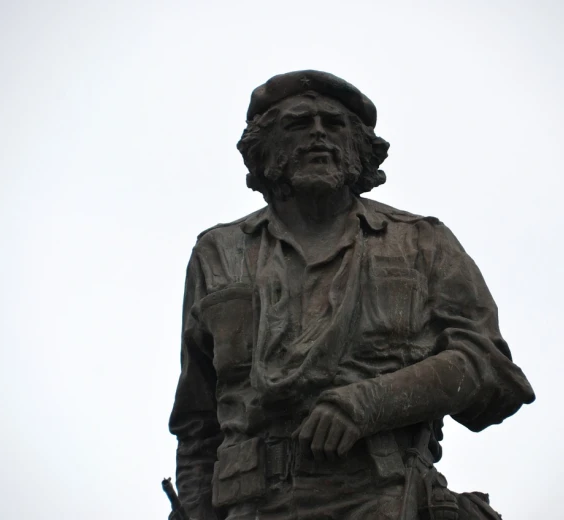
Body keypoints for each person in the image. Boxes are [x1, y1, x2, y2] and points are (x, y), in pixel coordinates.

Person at [169, 70, 535, 520]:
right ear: (264, 148)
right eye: (299, 124)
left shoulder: (422, 243)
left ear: (360, 147)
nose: (319, 134)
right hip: (253, 508)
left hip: (384, 498)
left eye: (335, 124)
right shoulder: (217, 253)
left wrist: (371, 402)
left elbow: (491, 371)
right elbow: (197, 426)